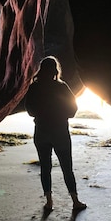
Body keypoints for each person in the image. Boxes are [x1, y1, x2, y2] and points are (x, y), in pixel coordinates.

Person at [25, 56, 87, 212]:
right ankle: (75, 201)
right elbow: (73, 110)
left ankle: (49, 202)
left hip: (41, 132)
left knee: (45, 168)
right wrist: (60, 114)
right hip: (60, 132)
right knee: (67, 167)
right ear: (55, 70)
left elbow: (30, 111)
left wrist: (43, 113)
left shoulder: (34, 88)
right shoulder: (62, 87)